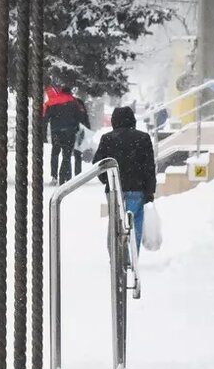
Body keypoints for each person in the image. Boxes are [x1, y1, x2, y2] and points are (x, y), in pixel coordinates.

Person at [94, 106, 156, 251]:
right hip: (137, 188)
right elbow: (149, 166)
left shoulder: (107, 139)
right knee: (135, 223)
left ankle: (115, 256)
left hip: (114, 188)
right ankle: (131, 255)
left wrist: (107, 180)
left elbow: (98, 164)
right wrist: (150, 191)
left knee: (115, 223)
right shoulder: (143, 138)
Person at [43, 83, 91, 183]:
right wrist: (80, 128)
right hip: (70, 131)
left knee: (55, 153)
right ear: (70, 92)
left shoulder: (53, 102)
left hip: (56, 131)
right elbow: (80, 117)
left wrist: (43, 133)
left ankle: (54, 176)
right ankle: (65, 175)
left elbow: (45, 118)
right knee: (67, 154)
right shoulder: (74, 102)